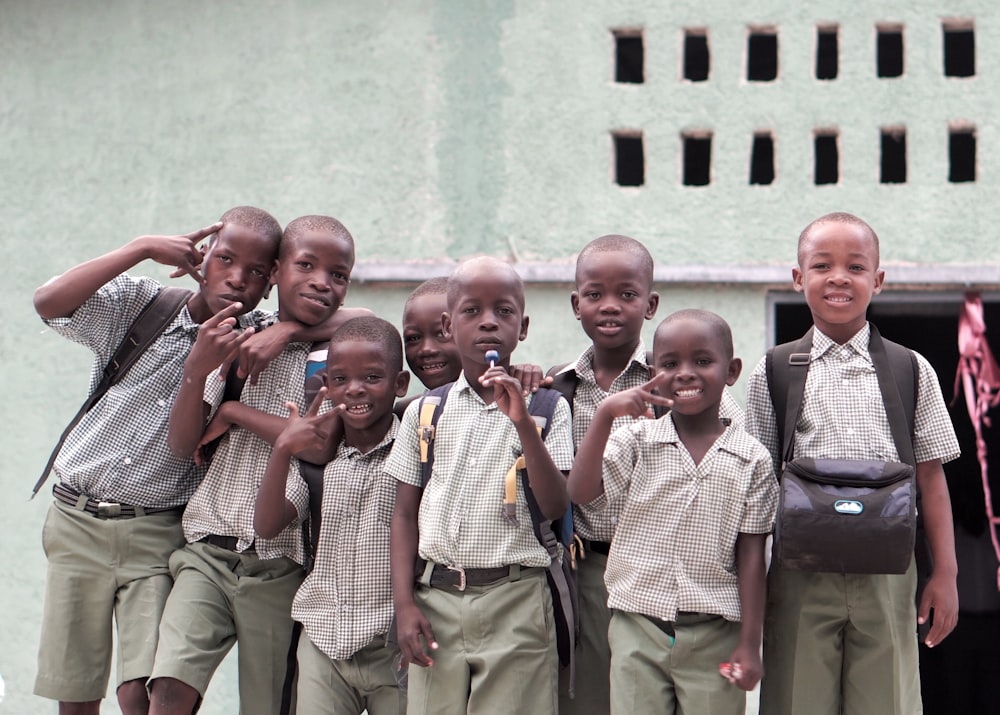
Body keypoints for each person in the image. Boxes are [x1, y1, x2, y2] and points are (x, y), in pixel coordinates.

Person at [31, 207, 282, 715]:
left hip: (158, 532)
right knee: (76, 690)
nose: (238, 278)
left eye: (257, 271)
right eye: (227, 259)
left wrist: (286, 330)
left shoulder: (256, 338)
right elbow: (49, 303)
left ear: (271, 282)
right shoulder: (144, 305)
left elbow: (342, 317)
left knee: (142, 692)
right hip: (77, 520)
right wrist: (139, 247)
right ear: (200, 258)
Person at [745, 211, 961, 715]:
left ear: (878, 281)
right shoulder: (775, 369)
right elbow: (755, 486)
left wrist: (946, 572)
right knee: (797, 700)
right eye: (822, 265)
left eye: (856, 267)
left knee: (887, 700)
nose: (839, 277)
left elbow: (931, 476)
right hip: (799, 573)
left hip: (889, 574)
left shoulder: (910, 368)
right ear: (798, 279)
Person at [147, 214, 357, 715]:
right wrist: (198, 376)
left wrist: (236, 411)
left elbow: (318, 445)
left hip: (281, 564)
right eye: (305, 265)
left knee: (267, 705)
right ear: (276, 273)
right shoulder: (234, 340)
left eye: (338, 275)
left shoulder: (341, 353)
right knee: (168, 689)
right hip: (207, 550)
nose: (321, 282)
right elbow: (183, 444)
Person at [549, 234, 743, 713]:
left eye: (627, 295)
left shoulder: (682, 379)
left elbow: (735, 448)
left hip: (670, 573)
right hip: (588, 573)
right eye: (595, 295)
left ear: (651, 304)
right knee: (594, 699)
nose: (610, 307)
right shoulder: (559, 389)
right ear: (576, 305)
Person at [386, 256, 574, 715]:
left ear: (523, 326)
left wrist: (525, 426)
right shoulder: (425, 412)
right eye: (472, 311)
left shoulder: (549, 408)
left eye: (504, 311)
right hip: (437, 601)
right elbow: (404, 514)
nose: (489, 322)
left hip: (517, 600)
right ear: (450, 326)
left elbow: (554, 505)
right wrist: (404, 604)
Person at [568, 309, 777, 715]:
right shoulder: (634, 440)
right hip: (636, 626)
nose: (685, 373)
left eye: (702, 361)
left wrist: (750, 643)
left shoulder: (752, 458)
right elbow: (579, 492)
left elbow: (752, 555)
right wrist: (605, 414)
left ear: (732, 370)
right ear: (652, 371)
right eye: (669, 364)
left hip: (715, 631)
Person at [255, 316, 410, 714]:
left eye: (372, 377)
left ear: (400, 384)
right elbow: (267, 526)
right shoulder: (316, 464)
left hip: (392, 645)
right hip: (324, 641)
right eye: (340, 379)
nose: (355, 389)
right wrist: (283, 450)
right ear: (327, 387)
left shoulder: (414, 454)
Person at [401, 276, 462, 392]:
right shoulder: (413, 409)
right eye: (414, 338)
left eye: (442, 334)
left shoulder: (502, 406)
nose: (426, 349)